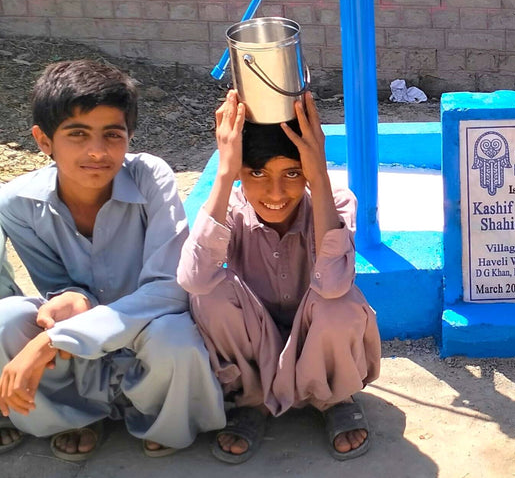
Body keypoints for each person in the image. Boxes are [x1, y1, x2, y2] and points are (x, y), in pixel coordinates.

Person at [0, 59, 224, 461]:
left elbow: (170, 289)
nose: (98, 152)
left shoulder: (150, 176)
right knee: (8, 319)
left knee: (176, 338)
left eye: (112, 135)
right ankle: (72, 415)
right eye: (77, 134)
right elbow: (54, 283)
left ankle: (159, 417)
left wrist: (53, 340)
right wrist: (73, 298)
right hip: (82, 329)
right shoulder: (19, 203)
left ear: (130, 135)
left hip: (149, 326)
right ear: (43, 140)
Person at [178, 89, 381, 464]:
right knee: (209, 294)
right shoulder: (231, 210)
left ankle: (332, 396)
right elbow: (193, 279)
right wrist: (225, 173)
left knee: (339, 303)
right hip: (255, 342)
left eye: (292, 172)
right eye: (256, 173)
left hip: (315, 338)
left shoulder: (335, 202)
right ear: (240, 171)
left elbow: (333, 283)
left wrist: (318, 174)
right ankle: (252, 400)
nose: (275, 192)